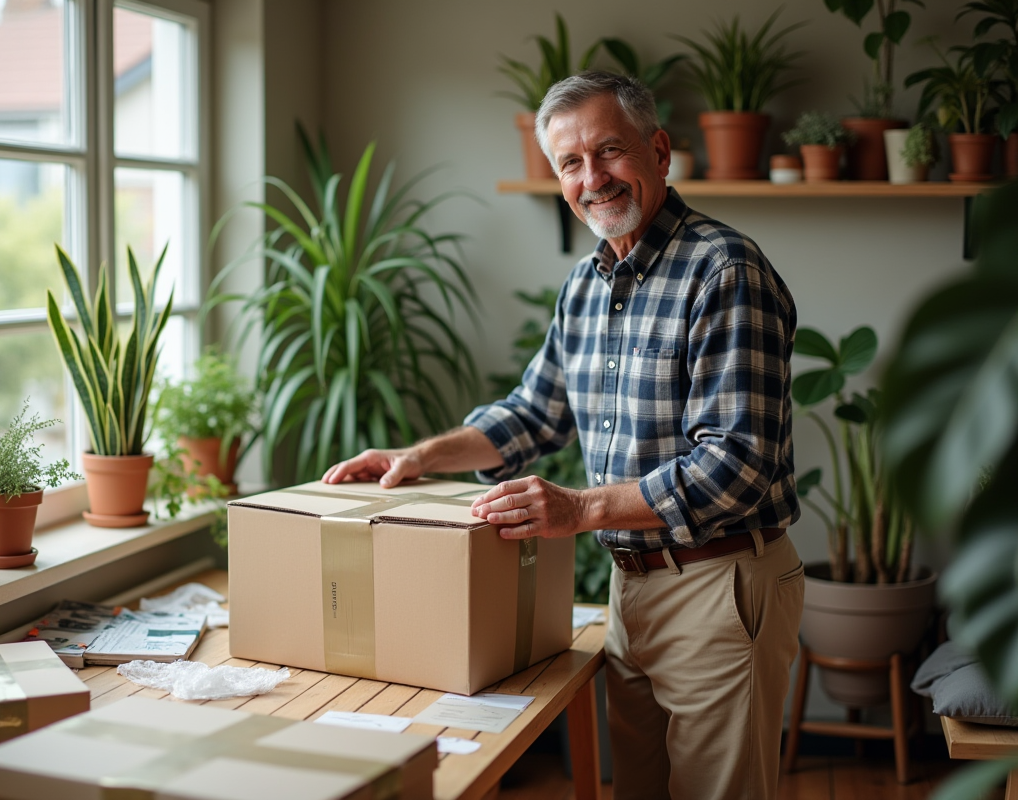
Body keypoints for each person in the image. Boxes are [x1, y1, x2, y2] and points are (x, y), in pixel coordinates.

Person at [323, 71, 803, 800]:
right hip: (631, 589)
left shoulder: (724, 270)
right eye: (570, 164)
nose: (592, 179)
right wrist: (417, 458)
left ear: (660, 151)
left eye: (609, 151)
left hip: (719, 584)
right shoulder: (586, 283)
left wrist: (579, 511)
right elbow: (531, 413)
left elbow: (736, 466)